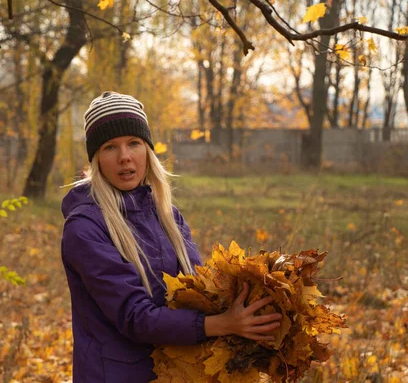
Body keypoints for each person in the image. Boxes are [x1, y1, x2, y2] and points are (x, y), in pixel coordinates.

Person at [60, 91, 282, 382]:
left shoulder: (167, 215)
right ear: (96, 159)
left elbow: (197, 294)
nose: (125, 156)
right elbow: (134, 317)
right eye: (110, 147)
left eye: (134, 143)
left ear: (148, 151)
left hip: (174, 371)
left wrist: (253, 298)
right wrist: (222, 325)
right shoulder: (85, 228)